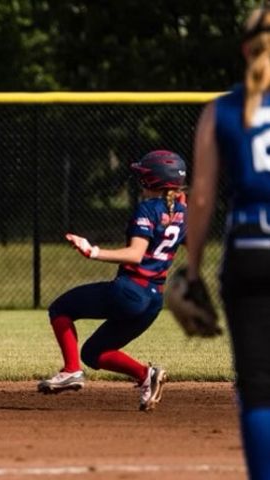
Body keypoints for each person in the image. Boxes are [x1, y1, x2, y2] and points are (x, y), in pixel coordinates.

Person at [186, 7, 270, 478]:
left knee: (259, 388)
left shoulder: (222, 110)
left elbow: (200, 198)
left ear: (245, 49)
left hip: (250, 253)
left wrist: (194, 272)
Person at [38, 150, 187, 412]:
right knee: (94, 353)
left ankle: (71, 371)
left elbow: (135, 255)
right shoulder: (184, 211)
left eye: (142, 176)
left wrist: (92, 251)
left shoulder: (147, 209)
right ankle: (146, 375)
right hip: (153, 301)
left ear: (149, 181)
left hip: (130, 292)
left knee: (60, 309)